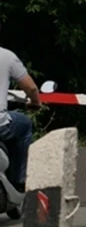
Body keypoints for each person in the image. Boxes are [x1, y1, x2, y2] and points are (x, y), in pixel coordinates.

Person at [0, 24, 42, 193]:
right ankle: (19, 179)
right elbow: (31, 88)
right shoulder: (7, 56)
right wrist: (35, 102)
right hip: (1, 125)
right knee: (24, 125)